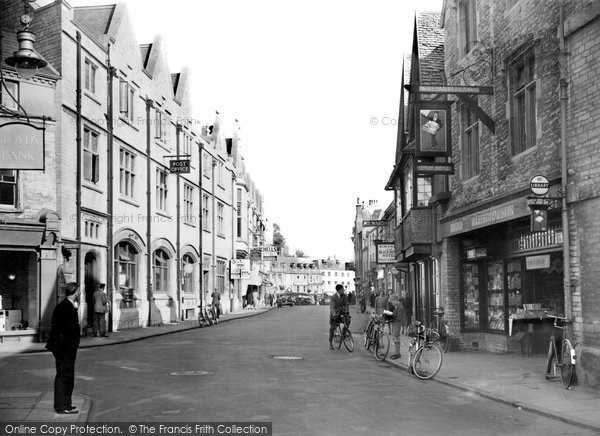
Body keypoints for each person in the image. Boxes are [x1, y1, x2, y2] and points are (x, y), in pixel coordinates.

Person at [45, 282, 81, 414]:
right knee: (63, 376)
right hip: (64, 349)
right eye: (79, 291)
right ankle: (62, 406)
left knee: (68, 376)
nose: (79, 293)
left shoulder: (67, 305)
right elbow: (62, 330)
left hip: (66, 348)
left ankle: (67, 403)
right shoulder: (65, 307)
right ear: (75, 292)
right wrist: (67, 347)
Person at [328, 284, 349, 350]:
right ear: (339, 290)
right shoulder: (333, 297)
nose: (343, 290)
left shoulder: (344, 296)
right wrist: (334, 315)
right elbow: (332, 307)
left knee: (348, 321)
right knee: (332, 328)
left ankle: (343, 334)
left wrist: (347, 311)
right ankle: (330, 342)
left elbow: (346, 304)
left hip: (342, 313)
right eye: (342, 289)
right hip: (335, 315)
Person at [388, 293, 407, 359]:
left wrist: (391, 317)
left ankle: (397, 353)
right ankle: (397, 353)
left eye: (392, 301)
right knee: (396, 338)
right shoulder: (397, 306)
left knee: (396, 338)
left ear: (396, 300)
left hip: (397, 324)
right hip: (395, 323)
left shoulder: (400, 307)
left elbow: (398, 317)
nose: (392, 303)